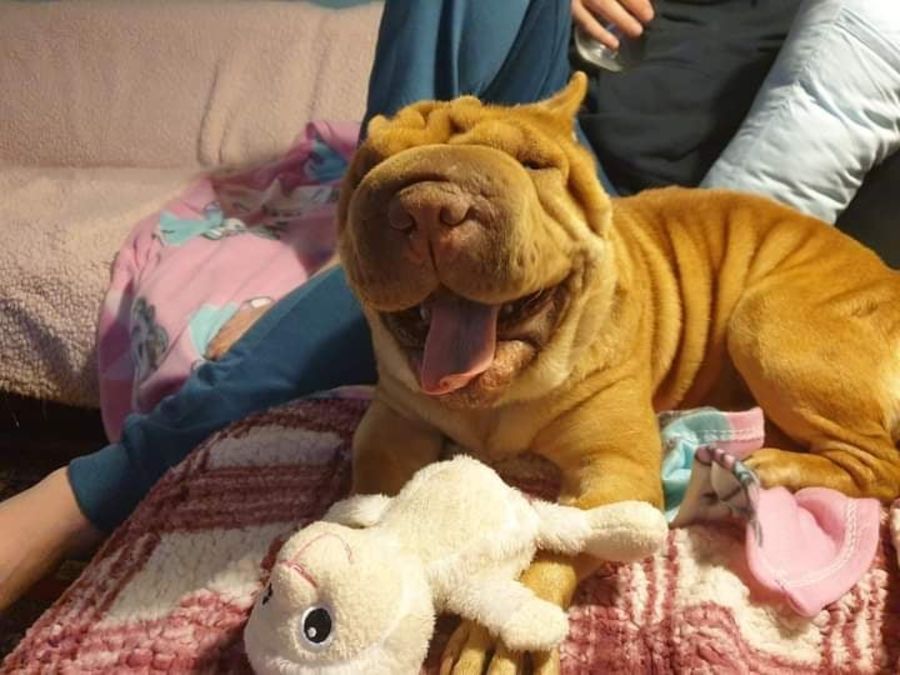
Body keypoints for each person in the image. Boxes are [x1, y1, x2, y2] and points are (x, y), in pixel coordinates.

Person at [1, 0, 897, 616]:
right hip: (507, 129)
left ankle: (83, 494)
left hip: (593, 197)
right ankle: (378, 209)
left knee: (735, 311)